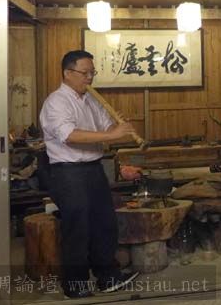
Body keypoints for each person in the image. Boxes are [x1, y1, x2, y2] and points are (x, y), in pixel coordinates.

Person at [40, 50, 140, 298]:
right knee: (77, 228)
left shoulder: (91, 100)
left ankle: (108, 277)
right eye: (85, 73)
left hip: (94, 168)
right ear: (68, 73)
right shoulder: (56, 102)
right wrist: (111, 134)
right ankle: (75, 285)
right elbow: (69, 135)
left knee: (104, 223)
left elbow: (105, 127)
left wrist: (118, 127)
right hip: (68, 172)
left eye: (92, 73)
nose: (90, 78)